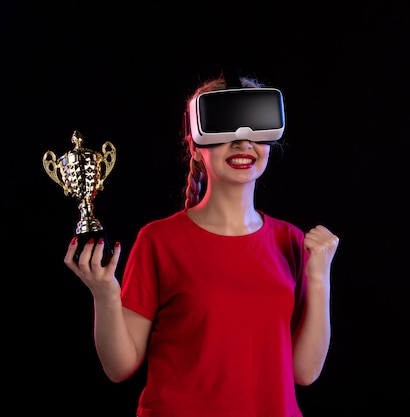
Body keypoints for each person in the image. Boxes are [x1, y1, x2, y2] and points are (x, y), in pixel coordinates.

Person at [63, 70, 339, 417]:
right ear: (195, 147)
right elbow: (120, 367)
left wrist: (320, 277)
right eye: (225, 130)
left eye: (255, 130)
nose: (243, 144)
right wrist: (104, 296)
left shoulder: (292, 242)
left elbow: (305, 372)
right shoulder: (159, 241)